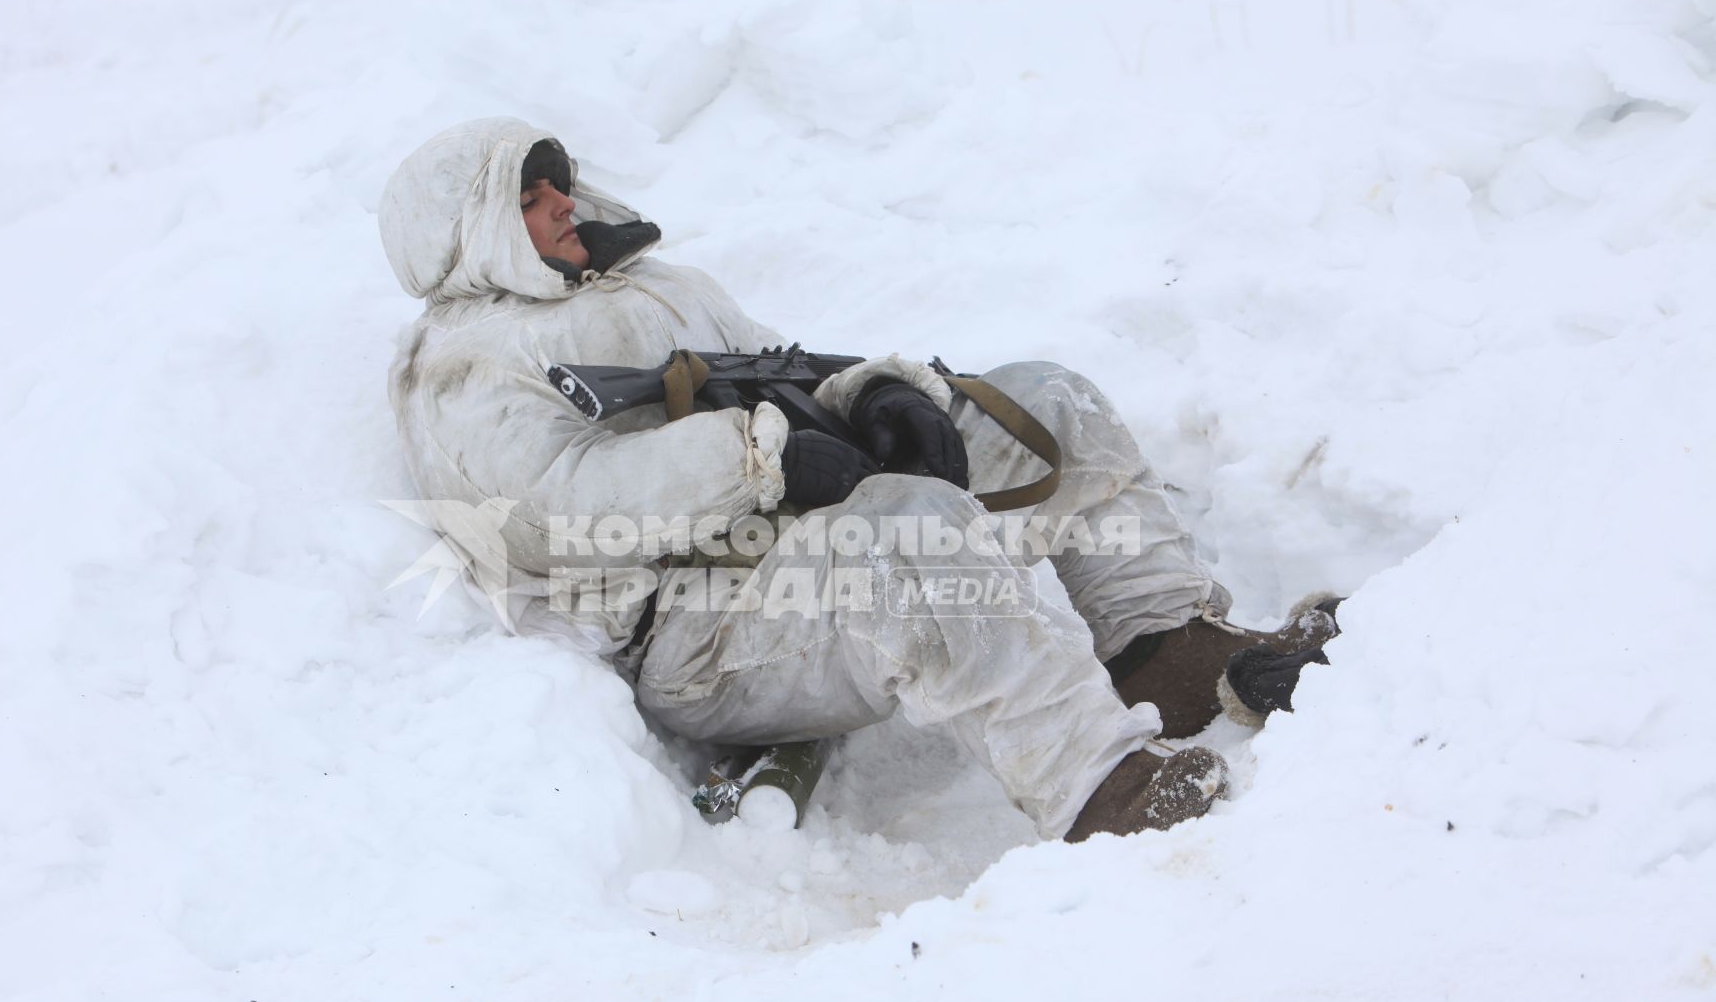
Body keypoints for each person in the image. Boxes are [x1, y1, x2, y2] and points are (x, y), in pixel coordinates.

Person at [378, 117, 1337, 843]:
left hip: (800, 540)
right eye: (531, 199)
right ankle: (1098, 785)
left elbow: (773, 371)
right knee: (909, 527)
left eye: (559, 183)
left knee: (1049, 403)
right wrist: (759, 461)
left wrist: (876, 395)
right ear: (475, 235)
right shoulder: (463, 365)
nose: (564, 203)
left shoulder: (655, 285)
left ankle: (1165, 646)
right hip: (696, 631)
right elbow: (550, 513)